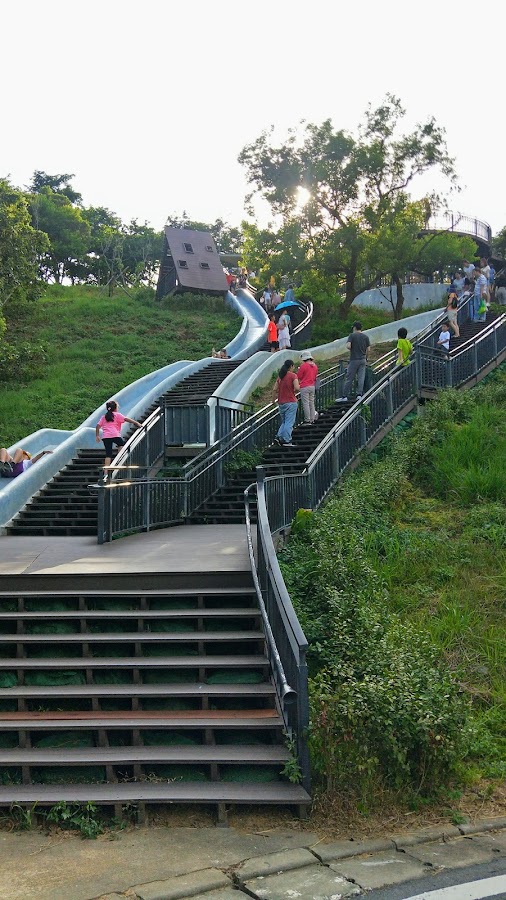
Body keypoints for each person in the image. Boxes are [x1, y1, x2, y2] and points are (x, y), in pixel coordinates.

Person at [96, 400, 141, 478]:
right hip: (115, 435)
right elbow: (126, 419)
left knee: (108, 454)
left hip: (106, 437)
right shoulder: (117, 415)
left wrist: (97, 436)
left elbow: (97, 426)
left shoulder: (104, 417)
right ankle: (119, 459)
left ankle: (105, 472)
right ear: (115, 408)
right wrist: (136, 423)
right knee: (121, 445)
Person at [336, 321, 370, 402]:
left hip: (354, 359)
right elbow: (368, 349)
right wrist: (366, 358)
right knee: (361, 377)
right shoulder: (365, 337)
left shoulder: (352, 335)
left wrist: (351, 348)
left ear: (354, 328)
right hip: (362, 359)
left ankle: (344, 396)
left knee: (349, 378)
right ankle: (359, 395)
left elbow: (348, 346)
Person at [272, 359, 299, 446]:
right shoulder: (293, 376)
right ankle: (287, 440)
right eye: (293, 366)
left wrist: (273, 401)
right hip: (291, 402)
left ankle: (278, 437)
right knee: (289, 422)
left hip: (281, 403)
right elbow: (297, 388)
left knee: (284, 422)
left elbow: (274, 389)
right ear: (291, 366)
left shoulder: (280, 376)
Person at [297, 350, 319, 423]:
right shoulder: (315, 366)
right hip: (312, 386)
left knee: (306, 403)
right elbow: (315, 376)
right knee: (311, 403)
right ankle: (312, 419)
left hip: (304, 386)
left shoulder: (303, 366)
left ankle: (307, 419)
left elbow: (299, 376)